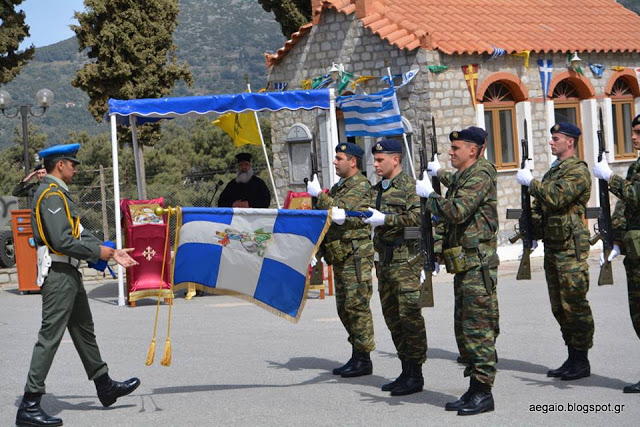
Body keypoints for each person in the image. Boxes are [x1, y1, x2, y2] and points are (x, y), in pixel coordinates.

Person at [16, 143, 140, 427]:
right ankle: (29, 404)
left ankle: (104, 385)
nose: (75, 167)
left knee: (84, 332)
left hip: (69, 272)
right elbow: (61, 241)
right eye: (73, 163)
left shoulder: (57, 193)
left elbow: (78, 234)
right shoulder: (50, 194)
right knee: (49, 338)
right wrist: (102, 253)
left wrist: (109, 251)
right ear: (60, 164)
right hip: (59, 275)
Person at [417, 127, 499, 415]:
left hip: (478, 264)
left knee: (479, 329)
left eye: (456, 148)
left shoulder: (482, 173)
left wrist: (430, 197)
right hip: (466, 264)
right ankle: (474, 388)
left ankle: (483, 392)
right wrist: (438, 173)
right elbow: (455, 182)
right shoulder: (467, 174)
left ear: (473, 151)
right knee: (464, 329)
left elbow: (457, 210)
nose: (451, 152)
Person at [517, 122, 594, 381]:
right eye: (551, 138)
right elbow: (542, 206)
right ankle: (572, 356)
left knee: (574, 304)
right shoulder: (554, 171)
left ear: (570, 142)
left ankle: (581, 360)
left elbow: (556, 198)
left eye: (556, 138)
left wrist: (531, 183)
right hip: (553, 245)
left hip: (570, 249)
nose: (551, 142)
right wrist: (531, 230)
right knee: (559, 306)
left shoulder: (577, 171)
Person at [363, 138, 426, 396]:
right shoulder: (378, 189)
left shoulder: (411, 187)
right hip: (385, 262)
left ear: (396, 159)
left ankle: (416, 373)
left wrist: (385, 219)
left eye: (380, 160)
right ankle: (405, 370)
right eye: (374, 160)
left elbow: (418, 220)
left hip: (406, 261)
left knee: (409, 317)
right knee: (392, 318)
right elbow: (361, 210)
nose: (376, 164)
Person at [307, 142, 375, 378]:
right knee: (345, 309)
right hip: (341, 255)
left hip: (355, 255)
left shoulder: (360, 186)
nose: (335, 162)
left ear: (353, 162)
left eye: (339, 158)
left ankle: (364, 358)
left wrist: (320, 196)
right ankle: (357, 353)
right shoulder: (340, 187)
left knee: (357, 307)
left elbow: (342, 214)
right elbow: (326, 216)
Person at [593, 113, 640, 393]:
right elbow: (628, 208)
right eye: (633, 131)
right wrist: (616, 241)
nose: (633, 137)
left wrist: (610, 177)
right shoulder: (636, 166)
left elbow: (636, 196)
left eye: (638, 132)